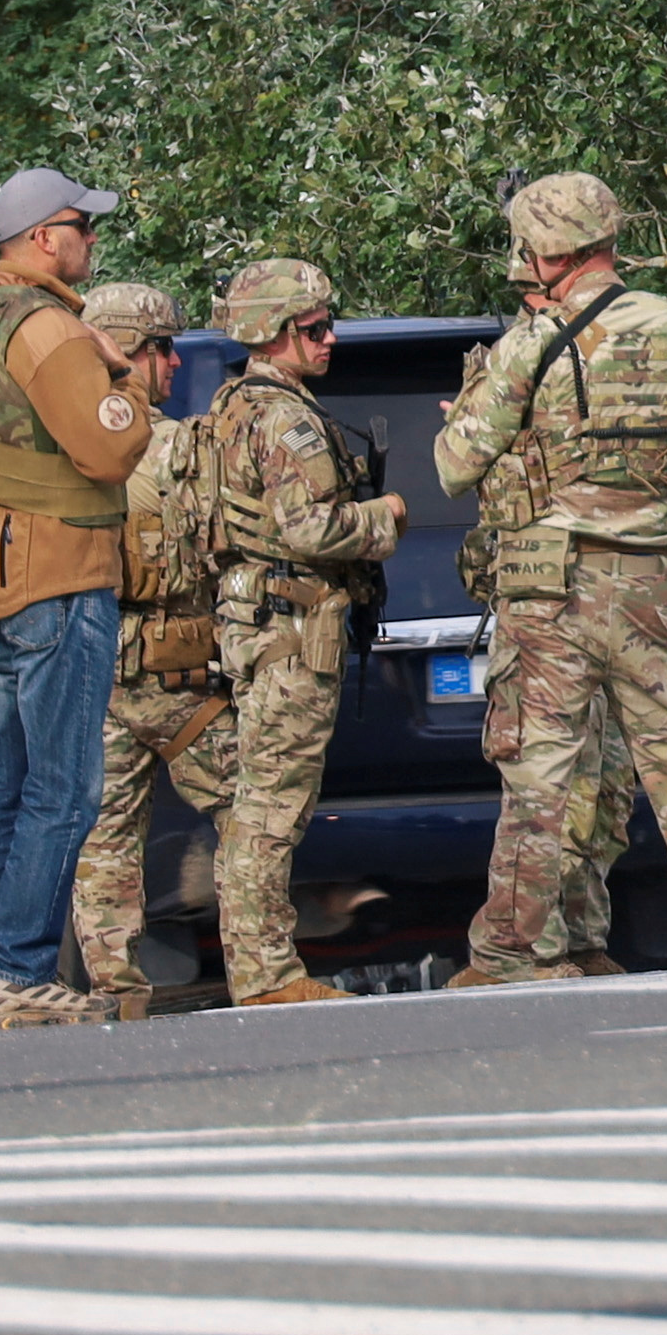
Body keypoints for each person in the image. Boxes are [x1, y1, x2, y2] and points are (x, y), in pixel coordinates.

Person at [431, 172, 667, 983]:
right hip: (655, 587)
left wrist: (480, 417)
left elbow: (453, 467)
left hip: (550, 592)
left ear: (540, 251)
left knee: (540, 778)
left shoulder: (532, 341)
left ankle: (513, 953)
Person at [0, 168, 152, 1025]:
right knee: (64, 789)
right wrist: (128, 384)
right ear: (44, 237)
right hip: (58, 577)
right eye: (82, 227)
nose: (92, 240)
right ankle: (18, 970)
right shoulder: (51, 328)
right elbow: (106, 448)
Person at [198, 258, 408, 1005]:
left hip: (257, 623)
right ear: (276, 333)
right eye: (313, 329)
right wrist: (383, 517)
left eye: (326, 325)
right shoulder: (286, 417)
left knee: (257, 800)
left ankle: (259, 966)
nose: (329, 340)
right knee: (271, 806)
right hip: (289, 627)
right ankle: (264, 975)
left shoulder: (230, 407)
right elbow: (310, 526)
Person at [67, 280, 212, 1019]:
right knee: (256, 808)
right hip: (175, 672)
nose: (175, 364)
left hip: (92, 667)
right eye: (161, 349)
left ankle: (114, 987)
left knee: (105, 835)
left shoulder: (58, 444)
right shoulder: (178, 445)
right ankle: (263, 961)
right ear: (126, 353)